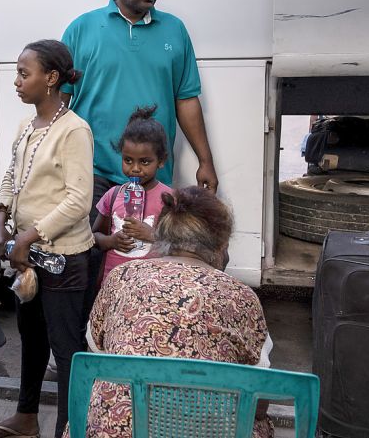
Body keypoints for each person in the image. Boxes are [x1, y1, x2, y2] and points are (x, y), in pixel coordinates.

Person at [85, 187, 273, 437]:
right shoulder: (242, 297)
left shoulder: (121, 277)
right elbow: (258, 403)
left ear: (161, 236)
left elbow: (95, 362)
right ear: (223, 243)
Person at [0, 40, 94, 438]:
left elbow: (79, 200)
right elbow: (12, 177)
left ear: (51, 79)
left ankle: (68, 428)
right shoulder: (27, 126)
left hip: (63, 260)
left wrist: (28, 235)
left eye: (24, 74)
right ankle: (27, 418)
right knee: (31, 339)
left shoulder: (74, 130)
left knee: (66, 350)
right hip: (30, 261)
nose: (16, 82)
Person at [61, 0, 218, 211]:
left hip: (151, 175)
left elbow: (186, 100)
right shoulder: (82, 29)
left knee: (146, 250)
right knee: (92, 249)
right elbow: (59, 102)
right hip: (89, 172)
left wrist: (205, 161)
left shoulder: (175, 30)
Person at [92, 105, 174, 280]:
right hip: (113, 284)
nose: (135, 169)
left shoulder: (169, 199)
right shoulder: (113, 195)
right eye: (128, 160)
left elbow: (182, 245)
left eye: (145, 162)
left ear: (161, 161)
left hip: (152, 285)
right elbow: (94, 237)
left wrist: (152, 235)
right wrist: (111, 241)